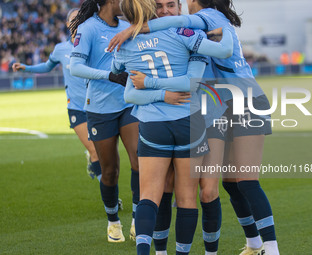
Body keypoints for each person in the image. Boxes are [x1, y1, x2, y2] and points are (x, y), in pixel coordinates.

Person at [129, 0, 280, 254]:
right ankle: (254, 244)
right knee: (224, 185)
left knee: (244, 181)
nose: (184, 5)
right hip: (217, 109)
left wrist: (133, 30)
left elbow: (179, 24)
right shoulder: (199, 29)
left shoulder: (208, 17)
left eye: (179, 3)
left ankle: (271, 248)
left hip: (243, 102)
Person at [111, 0, 233, 254]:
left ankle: (150, 252)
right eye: (160, 5)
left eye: (171, 5)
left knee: (149, 195)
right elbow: (195, 78)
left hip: (153, 124)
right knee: (187, 196)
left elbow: (128, 92)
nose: (166, 10)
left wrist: (156, 90)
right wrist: (227, 28)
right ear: (151, 10)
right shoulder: (185, 34)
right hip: (188, 121)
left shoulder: (124, 45)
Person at [69, 0, 139, 243]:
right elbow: (75, 66)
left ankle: (138, 221)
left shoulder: (127, 25)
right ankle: (113, 222)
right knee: (109, 171)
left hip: (129, 103)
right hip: (100, 108)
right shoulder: (88, 28)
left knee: (139, 160)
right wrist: (110, 76)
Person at [12, 8, 103, 182]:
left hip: (97, 105)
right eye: (74, 19)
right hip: (76, 108)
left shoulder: (94, 45)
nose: (79, 22)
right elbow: (47, 66)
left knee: (105, 153)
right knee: (94, 150)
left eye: (82, 18)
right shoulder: (61, 49)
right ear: (68, 24)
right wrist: (27, 67)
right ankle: (111, 199)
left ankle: (99, 173)